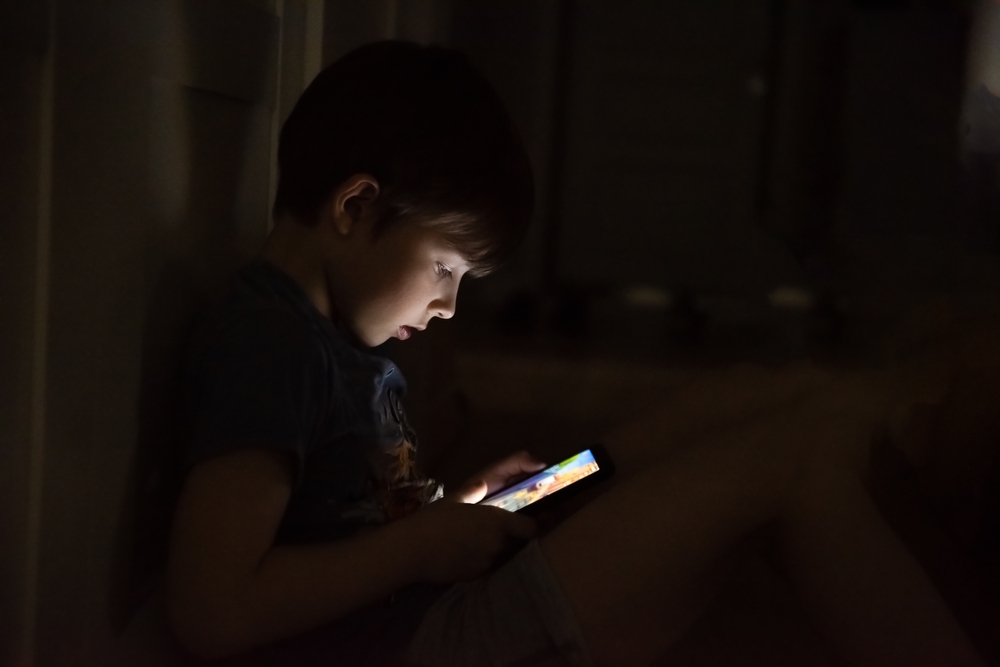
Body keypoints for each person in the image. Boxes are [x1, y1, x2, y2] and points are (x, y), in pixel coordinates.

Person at [165, 41, 987, 666]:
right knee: (788, 460)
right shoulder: (271, 346)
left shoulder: (329, 340)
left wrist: (459, 503)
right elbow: (214, 611)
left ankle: (897, 418)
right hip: (427, 636)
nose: (448, 305)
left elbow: (353, 518)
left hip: (435, 589)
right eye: (446, 268)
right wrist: (418, 545)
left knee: (747, 399)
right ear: (355, 206)